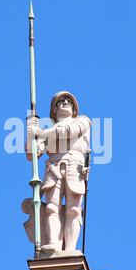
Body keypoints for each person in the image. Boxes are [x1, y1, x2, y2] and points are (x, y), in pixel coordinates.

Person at [27, 91, 91, 252]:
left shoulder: (83, 121)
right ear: (54, 110)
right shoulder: (48, 132)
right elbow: (32, 154)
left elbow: (68, 131)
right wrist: (30, 133)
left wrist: (40, 133)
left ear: (75, 109)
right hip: (53, 168)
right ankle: (54, 245)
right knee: (51, 208)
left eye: (68, 101)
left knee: (74, 209)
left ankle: (70, 249)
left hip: (74, 166)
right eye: (60, 101)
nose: (65, 102)